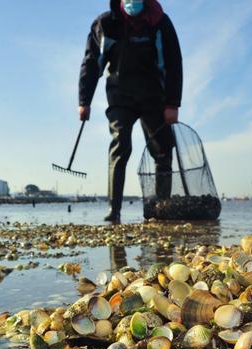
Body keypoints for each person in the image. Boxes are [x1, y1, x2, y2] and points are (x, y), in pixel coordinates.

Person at [78, 0, 183, 223]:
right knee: (120, 145)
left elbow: (174, 63)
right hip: (119, 95)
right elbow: (92, 62)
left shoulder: (160, 22)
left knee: (163, 150)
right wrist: (84, 101)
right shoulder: (105, 23)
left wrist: (172, 104)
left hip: (154, 96)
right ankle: (113, 210)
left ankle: (161, 208)